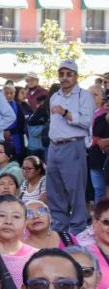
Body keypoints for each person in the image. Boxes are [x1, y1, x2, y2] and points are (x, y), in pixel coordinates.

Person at [47, 60, 94, 233]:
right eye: (61, 74)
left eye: (69, 74)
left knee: (75, 190)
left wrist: (65, 113)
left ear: (76, 76)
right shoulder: (55, 96)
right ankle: (60, 227)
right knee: (55, 189)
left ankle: (78, 229)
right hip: (54, 146)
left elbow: (86, 121)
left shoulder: (84, 95)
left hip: (73, 145)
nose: (64, 78)